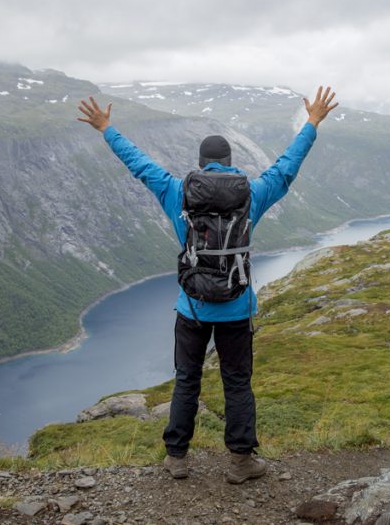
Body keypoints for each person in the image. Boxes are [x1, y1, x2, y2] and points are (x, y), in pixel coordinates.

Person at [76, 86, 339, 483]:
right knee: (236, 383)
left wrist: (107, 128)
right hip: (236, 309)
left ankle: (177, 459)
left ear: (200, 164)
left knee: (187, 380)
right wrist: (312, 123)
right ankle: (240, 462)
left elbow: (141, 165)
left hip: (192, 307)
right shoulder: (252, 195)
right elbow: (286, 167)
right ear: (230, 163)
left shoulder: (177, 193)